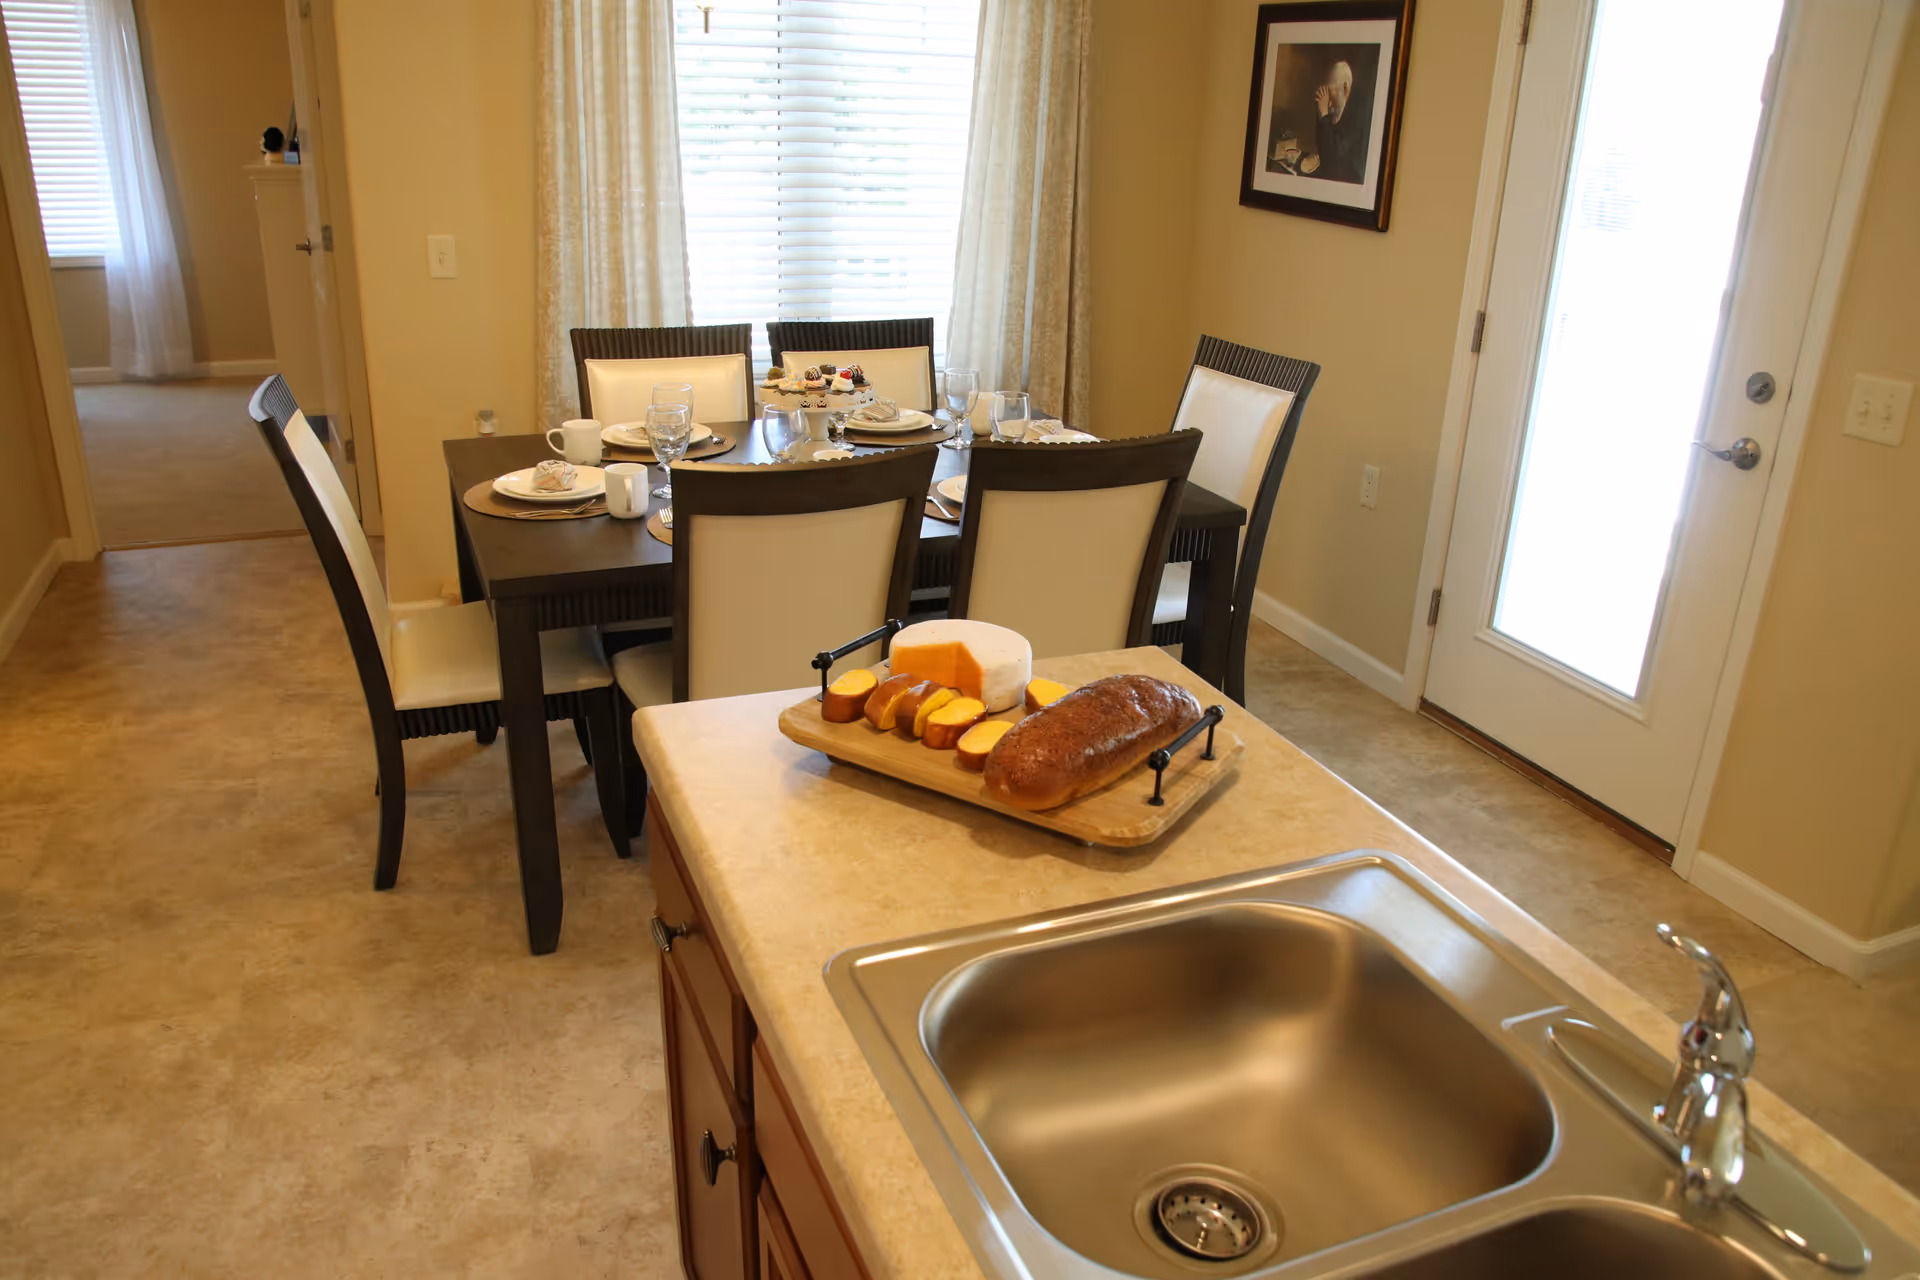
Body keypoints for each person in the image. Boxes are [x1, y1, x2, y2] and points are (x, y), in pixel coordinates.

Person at [1312, 60, 1367, 184]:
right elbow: (1321, 146)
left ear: (1345, 87)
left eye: (1332, 86)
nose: (1328, 91)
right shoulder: (1332, 108)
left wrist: (1324, 115)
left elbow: (1335, 156)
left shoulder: (1356, 115)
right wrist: (1321, 114)